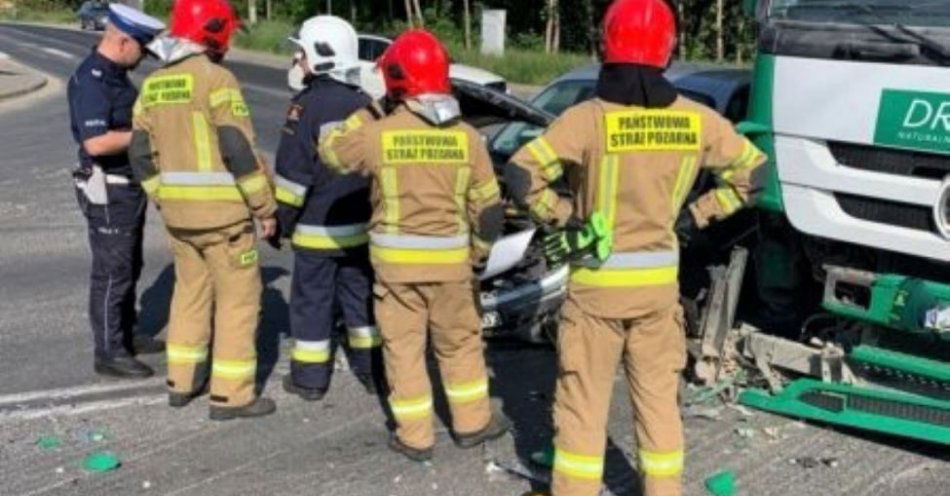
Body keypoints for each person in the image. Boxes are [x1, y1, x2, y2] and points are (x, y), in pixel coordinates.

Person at [506, 0, 766, 494]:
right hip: (657, 291)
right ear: (669, 51)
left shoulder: (586, 118)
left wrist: (564, 219)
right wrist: (696, 216)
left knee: (582, 405)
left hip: (596, 289)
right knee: (658, 402)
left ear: (607, 46)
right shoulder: (697, 119)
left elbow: (521, 173)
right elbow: (754, 173)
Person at [318, 30, 510, 462]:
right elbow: (490, 211)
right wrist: (477, 257)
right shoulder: (468, 139)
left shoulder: (379, 134)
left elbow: (330, 151)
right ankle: (472, 423)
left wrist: (370, 110)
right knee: (460, 346)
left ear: (395, 81)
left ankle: (415, 437)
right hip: (453, 270)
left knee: (403, 351)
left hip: (397, 272)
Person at [129, 0, 279, 421]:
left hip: (179, 219)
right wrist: (264, 207)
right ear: (215, 32)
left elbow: (140, 152)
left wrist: (163, 196)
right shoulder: (217, 79)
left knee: (189, 294)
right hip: (223, 219)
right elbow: (237, 148)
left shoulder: (154, 83)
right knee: (238, 302)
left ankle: (182, 381)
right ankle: (231, 396)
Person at [274, 15, 384, 401]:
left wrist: (280, 225)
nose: (297, 60)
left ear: (319, 57)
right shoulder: (367, 106)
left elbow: (292, 176)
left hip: (317, 233)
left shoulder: (305, 107)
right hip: (362, 233)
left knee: (312, 307)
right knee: (361, 303)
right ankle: (374, 373)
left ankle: (309, 379)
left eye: (300, 53)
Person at [67, 3, 166, 379]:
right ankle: (109, 351)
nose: (143, 56)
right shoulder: (91, 79)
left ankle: (124, 335)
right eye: (141, 47)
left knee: (130, 264)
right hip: (108, 188)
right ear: (123, 41)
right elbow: (96, 143)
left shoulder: (115, 74)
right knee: (112, 270)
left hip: (128, 186)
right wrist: (148, 136)